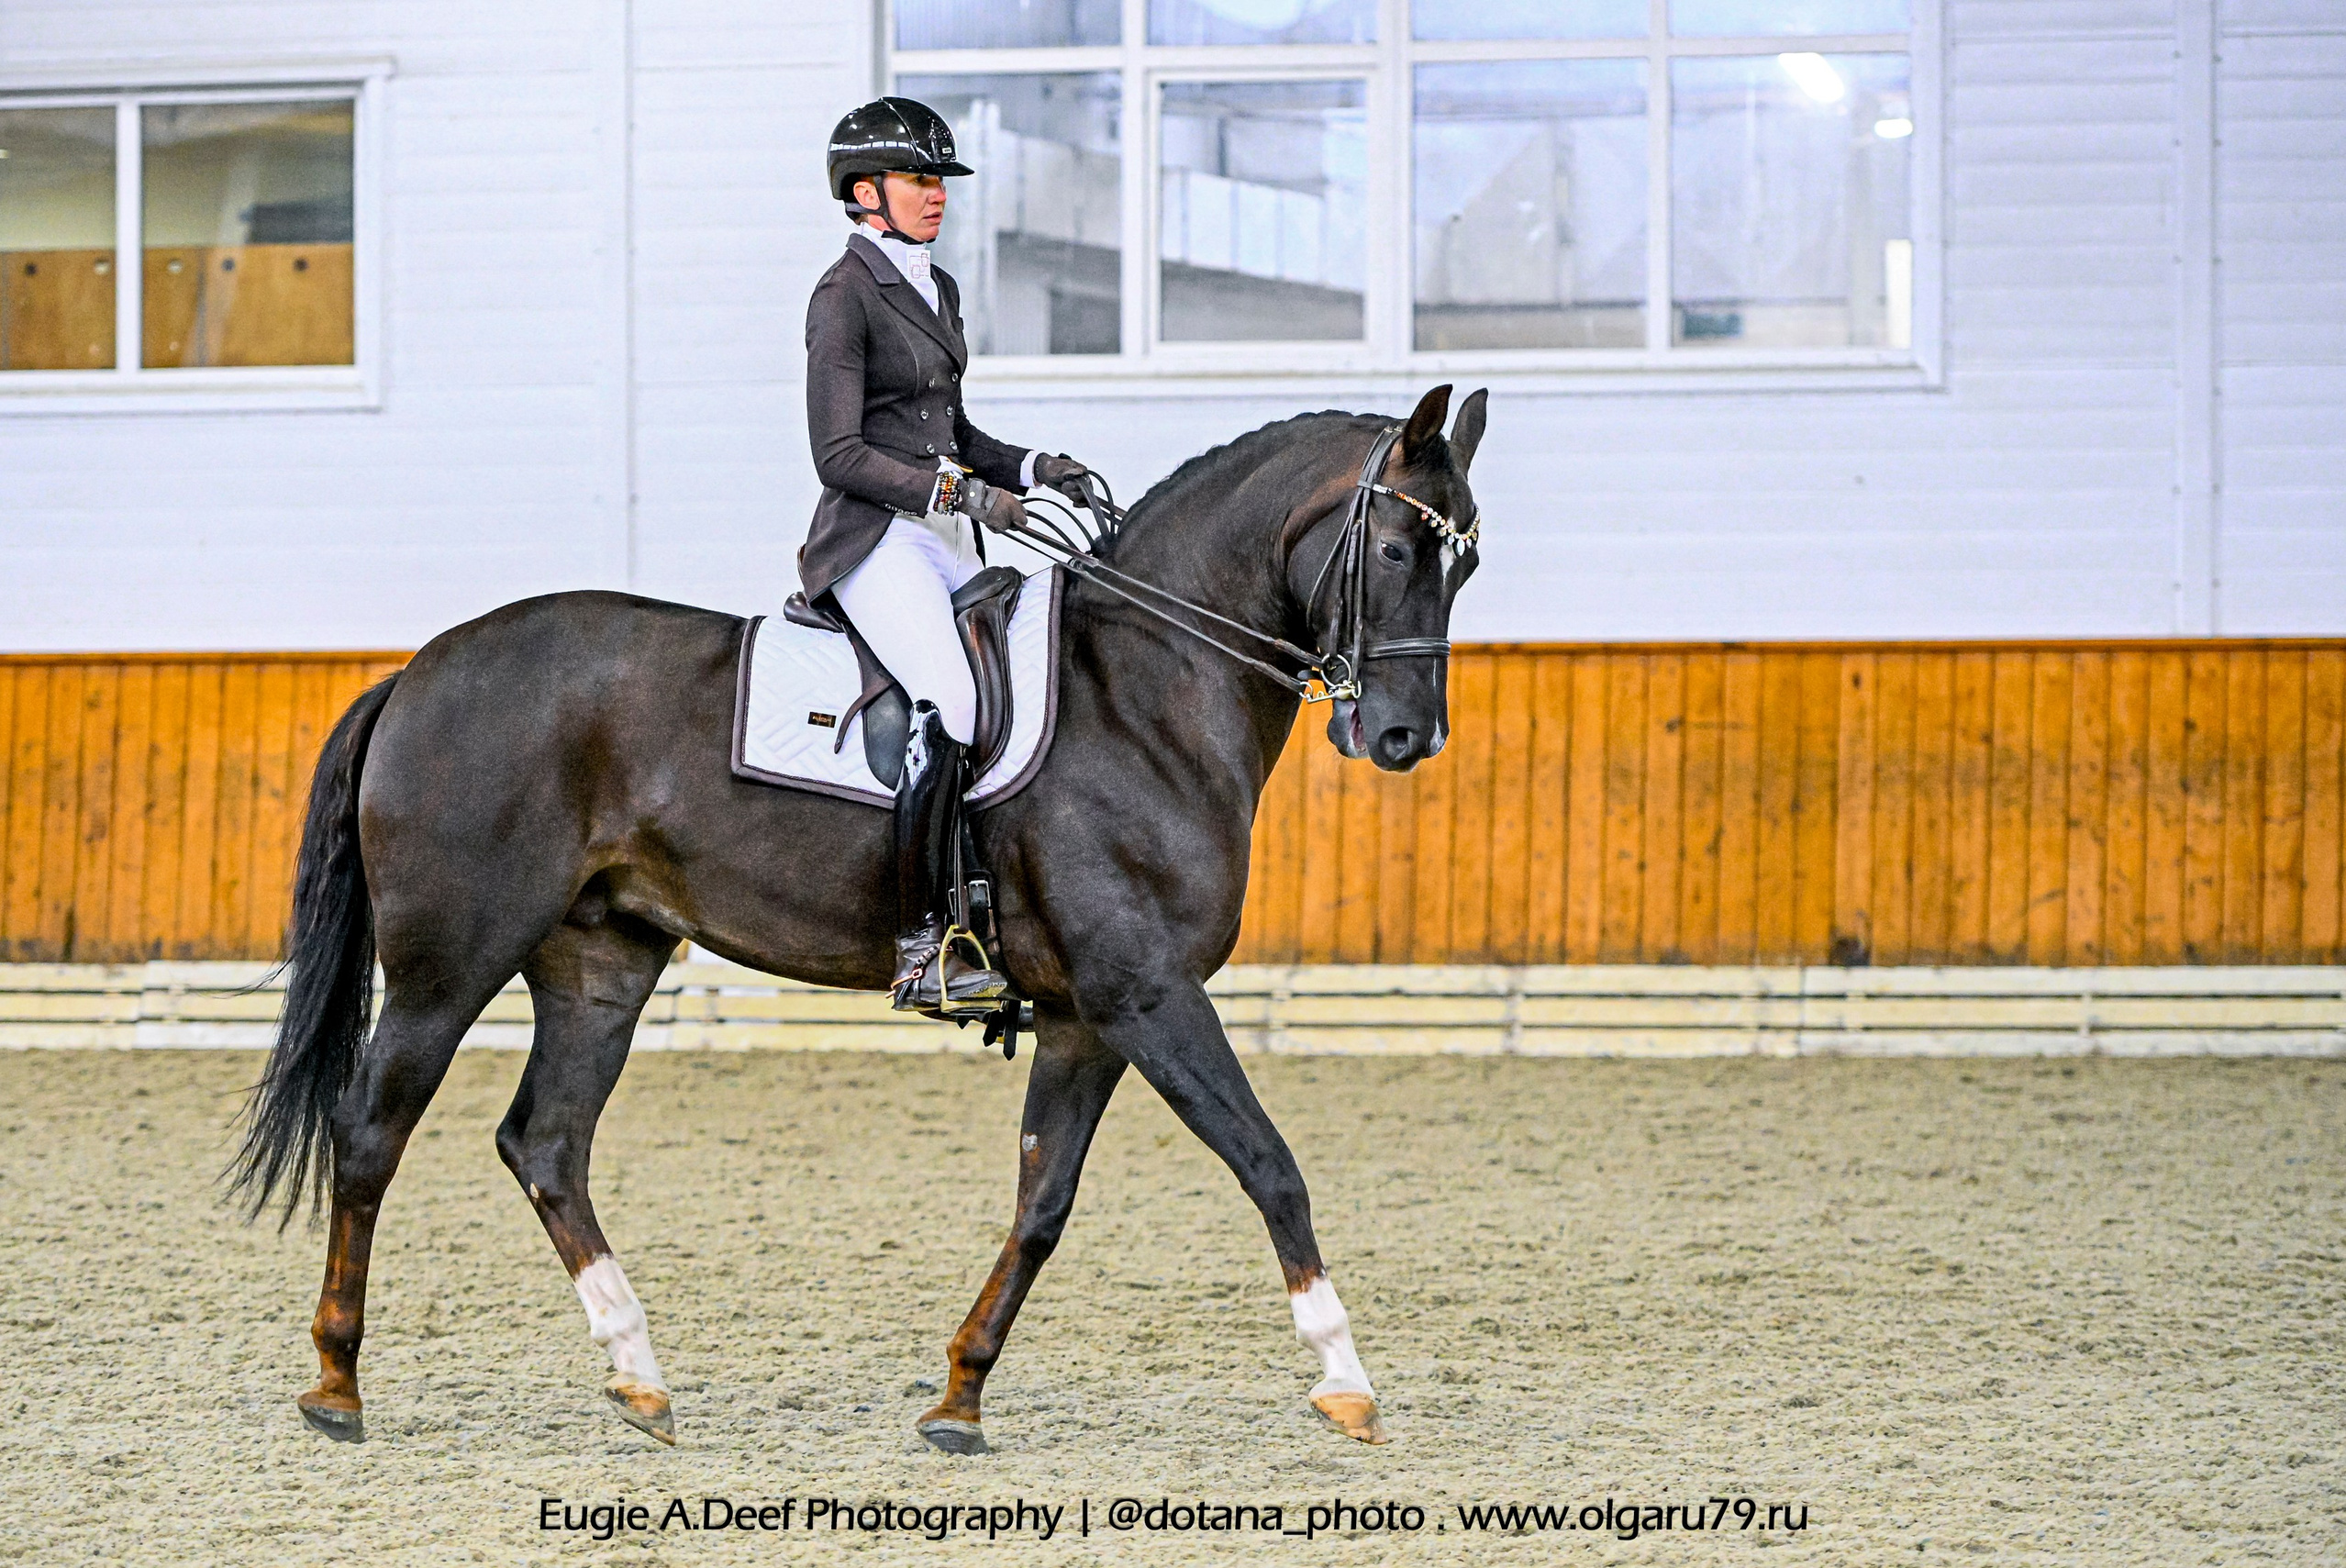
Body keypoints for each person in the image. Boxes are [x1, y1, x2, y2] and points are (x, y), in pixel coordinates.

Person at [803, 96, 1094, 1016]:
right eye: (919, 179)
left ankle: (999, 911)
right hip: (870, 537)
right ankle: (922, 943)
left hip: (935, 534)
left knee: (1021, 691)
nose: (936, 196)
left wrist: (1037, 467)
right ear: (864, 190)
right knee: (958, 701)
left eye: (939, 181)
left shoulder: (938, 289)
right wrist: (958, 493)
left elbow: (953, 429)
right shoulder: (842, 294)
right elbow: (837, 454)